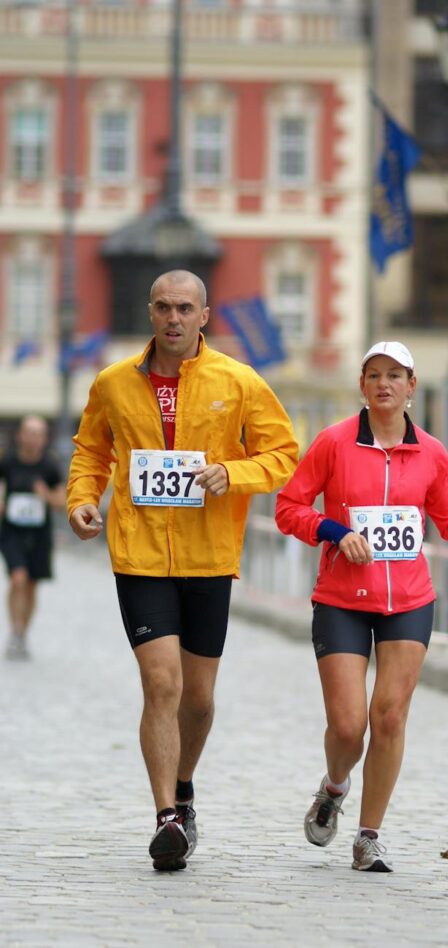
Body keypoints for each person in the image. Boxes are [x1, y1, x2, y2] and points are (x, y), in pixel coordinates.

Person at [67, 269, 298, 871]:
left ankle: (185, 786)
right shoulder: (115, 382)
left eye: (185, 308)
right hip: (138, 554)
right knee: (161, 683)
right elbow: (91, 450)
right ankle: (166, 816)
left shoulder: (240, 381)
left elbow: (283, 454)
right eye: (164, 307)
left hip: (209, 556)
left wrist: (234, 473)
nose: (174, 317)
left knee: (197, 698)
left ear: (204, 315)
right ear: (151, 312)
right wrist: (81, 500)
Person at [275, 340, 448, 873]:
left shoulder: (431, 453)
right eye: (374, 375)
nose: (384, 384)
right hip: (341, 599)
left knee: (388, 718)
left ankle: (369, 836)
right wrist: (335, 532)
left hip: (408, 600)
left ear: (412, 388)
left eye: (396, 375)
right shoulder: (334, 443)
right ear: (362, 386)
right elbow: (289, 508)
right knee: (347, 727)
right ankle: (334, 787)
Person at [0, 414, 65, 660]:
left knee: (31, 585)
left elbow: (61, 503)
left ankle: (22, 634)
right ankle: (15, 631)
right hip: (12, 531)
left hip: (39, 534)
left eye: (39, 433)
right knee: (18, 579)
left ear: (44, 439)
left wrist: (45, 495)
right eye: (30, 432)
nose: (34, 438)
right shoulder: (8, 462)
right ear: (20, 435)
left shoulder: (49, 466)